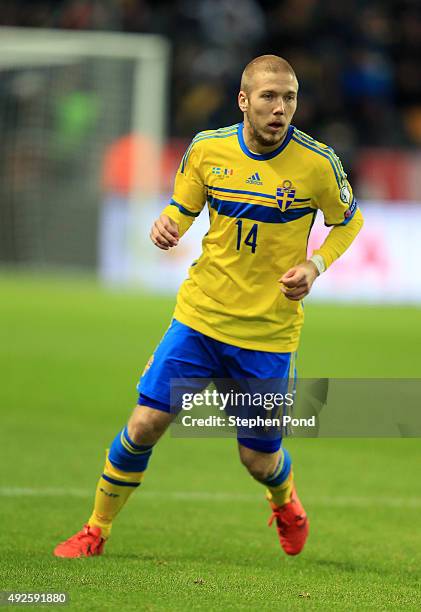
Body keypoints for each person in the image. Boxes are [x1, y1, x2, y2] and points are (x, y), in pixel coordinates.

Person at [54, 55, 363, 559]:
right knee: (145, 424)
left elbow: (349, 220)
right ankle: (96, 530)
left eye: (289, 97)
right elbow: (183, 206)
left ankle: (285, 500)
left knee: (258, 459)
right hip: (199, 317)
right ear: (243, 100)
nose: (280, 107)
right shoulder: (207, 148)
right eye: (268, 96)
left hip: (267, 334)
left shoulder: (317, 163)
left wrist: (316, 265)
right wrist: (166, 222)